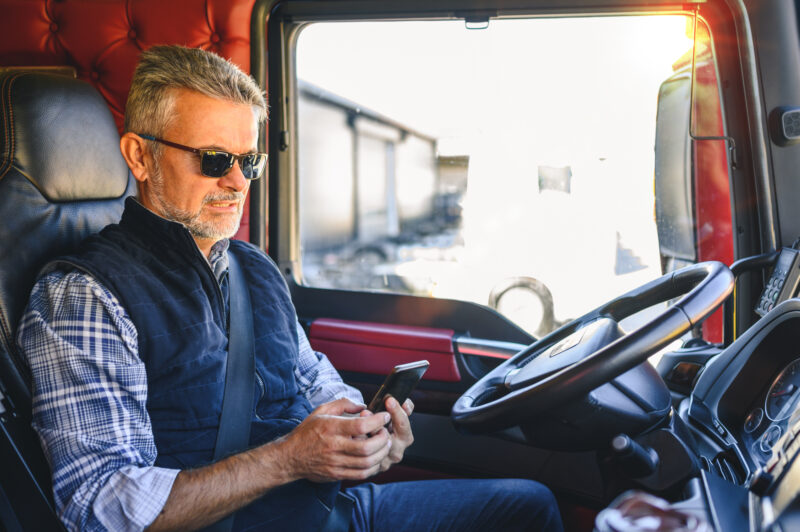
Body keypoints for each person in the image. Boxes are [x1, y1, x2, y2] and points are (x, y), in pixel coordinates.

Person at [16, 45, 563, 532]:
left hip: (329, 507)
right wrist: (288, 460)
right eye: (213, 160)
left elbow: (311, 379)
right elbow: (99, 508)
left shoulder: (254, 268)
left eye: (248, 162)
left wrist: (366, 434)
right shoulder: (85, 296)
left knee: (528, 505)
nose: (236, 182)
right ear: (139, 155)